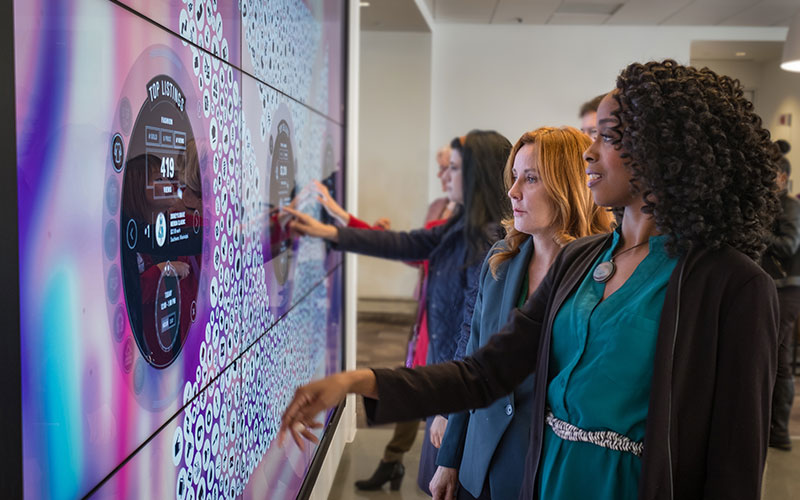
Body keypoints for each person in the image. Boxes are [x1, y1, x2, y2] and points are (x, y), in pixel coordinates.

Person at [280, 60, 782, 499]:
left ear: (663, 153)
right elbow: (484, 372)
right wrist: (357, 380)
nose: (589, 153)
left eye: (607, 137)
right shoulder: (581, 261)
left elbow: (733, 467)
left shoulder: (731, 286)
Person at [283, 130, 512, 493]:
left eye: (453, 168)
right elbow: (406, 242)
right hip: (448, 388)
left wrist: (449, 411)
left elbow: (471, 334)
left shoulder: (486, 239)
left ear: (475, 174)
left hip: (455, 395)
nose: (445, 177)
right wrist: (330, 231)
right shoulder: (462, 226)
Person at [430, 126, 613, 500]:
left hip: (552, 470)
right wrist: (449, 458)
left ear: (568, 187)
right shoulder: (502, 260)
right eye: (514, 177)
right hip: (481, 464)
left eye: (530, 179)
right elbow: (474, 362)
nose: (513, 192)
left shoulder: (605, 272)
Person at [762, 139, 800, 451]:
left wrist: (758, 232)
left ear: (782, 178)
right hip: (775, 288)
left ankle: (779, 432)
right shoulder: (774, 205)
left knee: (781, 359)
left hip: (787, 290)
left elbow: (789, 245)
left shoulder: (790, 206)